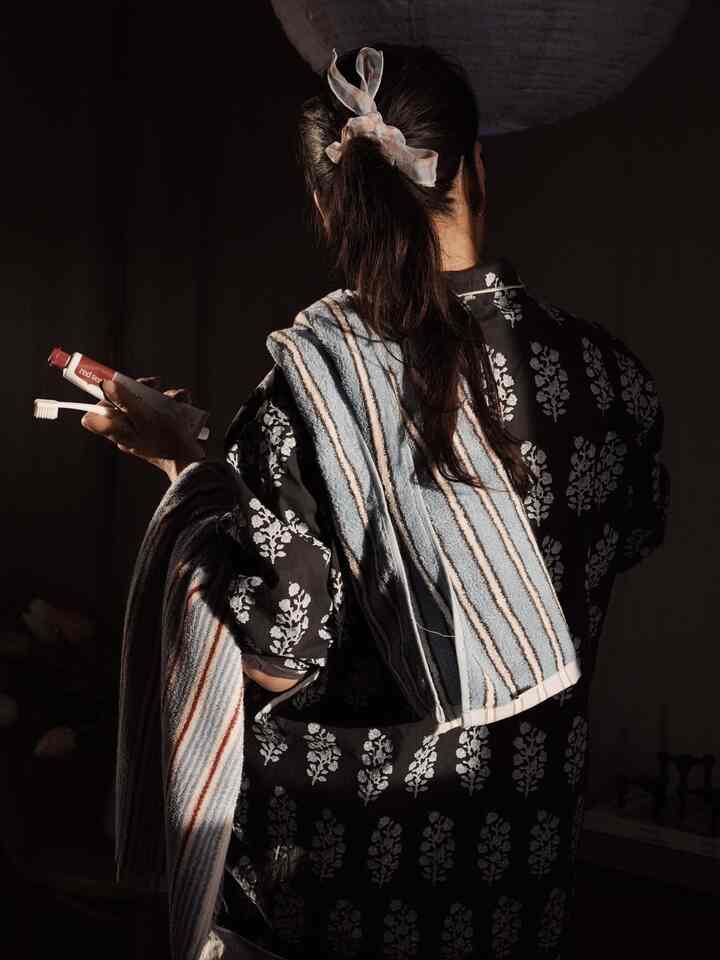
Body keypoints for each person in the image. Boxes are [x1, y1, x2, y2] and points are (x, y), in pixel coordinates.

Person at [82, 42, 670, 960]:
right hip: (517, 876)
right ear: (476, 167)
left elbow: (280, 659)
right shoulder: (611, 383)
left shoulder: (311, 395)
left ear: (328, 206)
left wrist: (185, 469)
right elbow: (610, 550)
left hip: (330, 889)